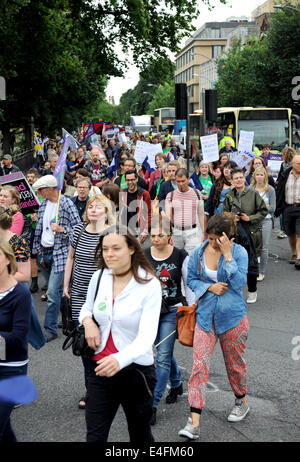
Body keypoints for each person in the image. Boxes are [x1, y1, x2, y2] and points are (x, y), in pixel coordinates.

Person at [79, 224, 162, 443]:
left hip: (136, 373)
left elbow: (147, 338)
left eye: (116, 248)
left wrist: (119, 358)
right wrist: (88, 322)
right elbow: (86, 308)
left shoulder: (149, 284)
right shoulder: (99, 277)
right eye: (105, 249)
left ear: (132, 249)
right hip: (100, 369)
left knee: (140, 435)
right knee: (95, 437)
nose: (109, 254)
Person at [178, 214, 249, 440]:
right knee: (199, 366)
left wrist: (227, 256)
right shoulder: (199, 252)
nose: (211, 243)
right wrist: (209, 288)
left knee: (235, 364)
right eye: (209, 238)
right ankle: (194, 422)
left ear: (227, 238)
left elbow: (238, 284)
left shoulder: (239, 253)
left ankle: (241, 401)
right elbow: (191, 280)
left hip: (233, 317)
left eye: (215, 240)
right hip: (205, 317)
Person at [63, 195, 115, 409]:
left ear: (106, 211)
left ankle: (109, 386)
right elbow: (71, 258)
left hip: (103, 296)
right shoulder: (78, 231)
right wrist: (66, 286)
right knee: (84, 344)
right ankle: (91, 390)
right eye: (90, 206)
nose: (93, 209)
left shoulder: (112, 233)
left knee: (103, 343)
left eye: (98, 206)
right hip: (79, 294)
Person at [145, 215, 194, 425]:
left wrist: (191, 309)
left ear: (170, 236)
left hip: (173, 310)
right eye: (153, 235)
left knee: (162, 356)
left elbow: (189, 283)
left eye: (160, 235)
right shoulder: (143, 255)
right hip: (150, 311)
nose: (156, 239)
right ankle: (176, 383)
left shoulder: (181, 255)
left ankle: (152, 405)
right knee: (161, 348)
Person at [32, 175, 81, 342]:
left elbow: (78, 228)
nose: (38, 193)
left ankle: (50, 328)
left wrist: (62, 229)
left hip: (60, 254)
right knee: (58, 292)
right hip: (44, 253)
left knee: (52, 293)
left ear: (49, 189)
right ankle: (68, 320)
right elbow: (40, 228)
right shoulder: (44, 204)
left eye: (40, 190)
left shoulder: (66, 203)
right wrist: (37, 249)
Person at [0, 239, 32, 442]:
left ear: (7, 260)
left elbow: (18, 337)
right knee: (4, 429)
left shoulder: (20, 294)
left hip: (12, 368)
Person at [223, 168, 268, 303]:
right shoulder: (229, 195)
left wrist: (250, 218)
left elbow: (263, 211)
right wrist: (232, 217)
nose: (238, 180)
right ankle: (234, 292)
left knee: (251, 264)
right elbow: (224, 212)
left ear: (244, 179)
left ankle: (252, 291)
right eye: (235, 178)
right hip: (235, 235)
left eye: (241, 177)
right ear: (231, 180)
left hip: (251, 234)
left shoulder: (253, 193)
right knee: (233, 264)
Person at [165, 168, 204, 255]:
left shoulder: (197, 193)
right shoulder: (170, 195)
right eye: (178, 181)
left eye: (183, 181)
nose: (181, 184)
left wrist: (203, 232)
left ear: (188, 179)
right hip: (176, 232)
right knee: (175, 259)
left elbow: (201, 214)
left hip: (193, 231)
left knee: (191, 259)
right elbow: (168, 217)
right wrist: (168, 233)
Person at [250, 167, 276, 281]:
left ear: (265, 176)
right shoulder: (250, 189)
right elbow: (248, 208)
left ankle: (261, 271)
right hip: (253, 221)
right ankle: (252, 269)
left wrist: (258, 208)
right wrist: (264, 207)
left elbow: (273, 208)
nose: (259, 177)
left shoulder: (270, 190)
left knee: (264, 247)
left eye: (262, 174)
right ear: (254, 176)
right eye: (257, 174)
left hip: (266, 221)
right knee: (252, 246)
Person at [274, 155, 300, 269]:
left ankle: (299, 257)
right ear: (293, 164)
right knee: (290, 233)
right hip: (288, 207)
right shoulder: (285, 174)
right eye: (298, 164)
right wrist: (279, 207)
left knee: (299, 234)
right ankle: (294, 253)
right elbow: (279, 190)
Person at [119, 169, 151, 244]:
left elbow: (149, 213)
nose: (130, 182)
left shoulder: (144, 194)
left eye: (132, 179)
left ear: (137, 179)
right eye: (127, 180)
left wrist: (145, 230)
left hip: (139, 229)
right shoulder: (122, 192)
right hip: (125, 230)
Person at [276, 147, 297, 239]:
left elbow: (280, 177)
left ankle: (283, 230)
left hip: (284, 191)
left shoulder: (285, 165)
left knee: (282, 211)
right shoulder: (294, 165)